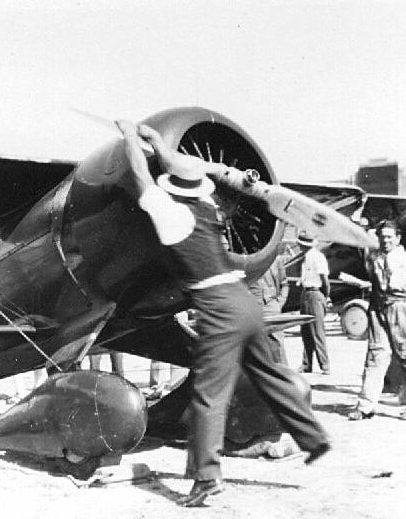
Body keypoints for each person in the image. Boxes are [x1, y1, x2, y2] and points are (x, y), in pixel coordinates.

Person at [118, 120, 330, 507]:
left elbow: (137, 174)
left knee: (209, 396)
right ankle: (313, 437)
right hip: (245, 300)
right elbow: (200, 170)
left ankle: (206, 480)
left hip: (216, 307)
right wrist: (161, 147)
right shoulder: (209, 204)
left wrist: (131, 137)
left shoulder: (170, 213)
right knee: (269, 376)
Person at [348, 220, 406, 421]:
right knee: (375, 356)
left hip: (403, 310)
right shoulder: (374, 259)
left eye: (390, 237)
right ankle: (365, 406)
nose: (385, 241)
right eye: (382, 237)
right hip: (379, 308)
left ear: (398, 238)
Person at [247, 247, 290, 364]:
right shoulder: (247, 260)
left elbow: (284, 283)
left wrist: (280, 301)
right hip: (253, 306)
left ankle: (284, 374)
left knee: (277, 342)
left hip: (271, 305)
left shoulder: (276, 261)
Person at [296, 232, 331, 374]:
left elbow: (325, 280)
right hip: (306, 292)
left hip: (315, 293)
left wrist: (324, 296)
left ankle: (325, 365)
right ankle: (307, 364)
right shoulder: (306, 257)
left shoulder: (317, 257)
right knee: (305, 330)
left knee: (317, 330)